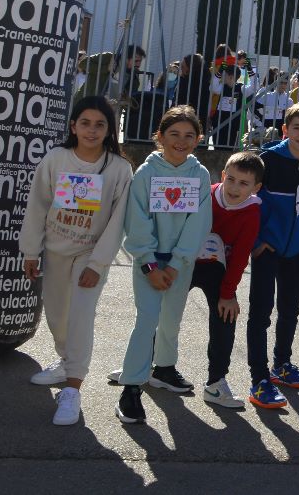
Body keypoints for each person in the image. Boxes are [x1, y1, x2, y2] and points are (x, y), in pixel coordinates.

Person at [18, 95, 133, 426]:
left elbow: (117, 221)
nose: (92, 131)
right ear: (73, 126)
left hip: (90, 253)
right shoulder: (56, 159)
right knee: (57, 315)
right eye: (85, 123)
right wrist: (30, 250)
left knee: (81, 316)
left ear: (110, 129)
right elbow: (38, 205)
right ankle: (65, 361)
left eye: (100, 124)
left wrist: (97, 264)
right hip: (54, 250)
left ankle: (72, 388)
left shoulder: (119, 168)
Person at [115, 106, 214, 425]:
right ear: (159, 137)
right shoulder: (146, 173)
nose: (181, 141)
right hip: (149, 264)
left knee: (171, 320)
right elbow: (137, 220)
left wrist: (175, 264)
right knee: (147, 321)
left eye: (189, 135)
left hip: (179, 264)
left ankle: (164, 368)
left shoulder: (200, 174)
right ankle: (131, 386)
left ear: (198, 139)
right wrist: (149, 264)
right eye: (174, 134)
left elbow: (199, 222)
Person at [245, 102, 299, 410]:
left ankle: (282, 364)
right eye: (297, 128)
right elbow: (250, 203)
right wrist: (256, 241)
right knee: (260, 313)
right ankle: (259, 378)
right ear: (285, 129)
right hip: (268, 249)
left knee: (290, 311)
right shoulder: (266, 161)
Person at [190, 150, 264, 410]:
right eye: (230, 179)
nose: (234, 187)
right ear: (222, 175)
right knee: (161, 308)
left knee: (226, 314)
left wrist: (228, 293)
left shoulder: (252, 212)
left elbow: (241, 255)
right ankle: (143, 365)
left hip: (218, 268)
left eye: (244, 183)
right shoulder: (204, 194)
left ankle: (216, 382)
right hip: (186, 261)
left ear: (256, 188)